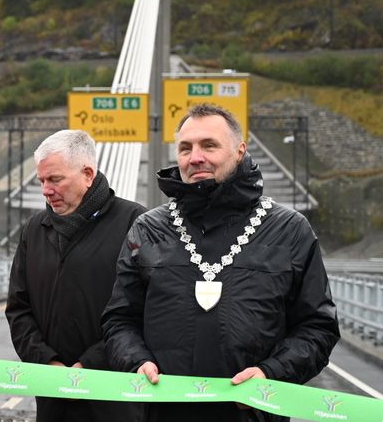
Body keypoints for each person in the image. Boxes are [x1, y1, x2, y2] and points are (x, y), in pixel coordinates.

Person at [102, 104, 339, 422]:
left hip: (254, 414)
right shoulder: (148, 229)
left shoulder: (290, 229)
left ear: (240, 151)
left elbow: (317, 327)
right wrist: (136, 362)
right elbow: (119, 321)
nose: (195, 157)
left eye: (209, 145)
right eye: (185, 148)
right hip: (164, 413)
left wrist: (271, 374)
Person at [5, 130, 145, 422]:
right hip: (52, 395)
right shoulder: (35, 230)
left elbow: (145, 310)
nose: (45, 190)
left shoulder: (134, 224)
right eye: (41, 180)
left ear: (87, 174)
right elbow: (19, 308)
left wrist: (91, 364)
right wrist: (47, 361)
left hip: (114, 395)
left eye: (55, 179)